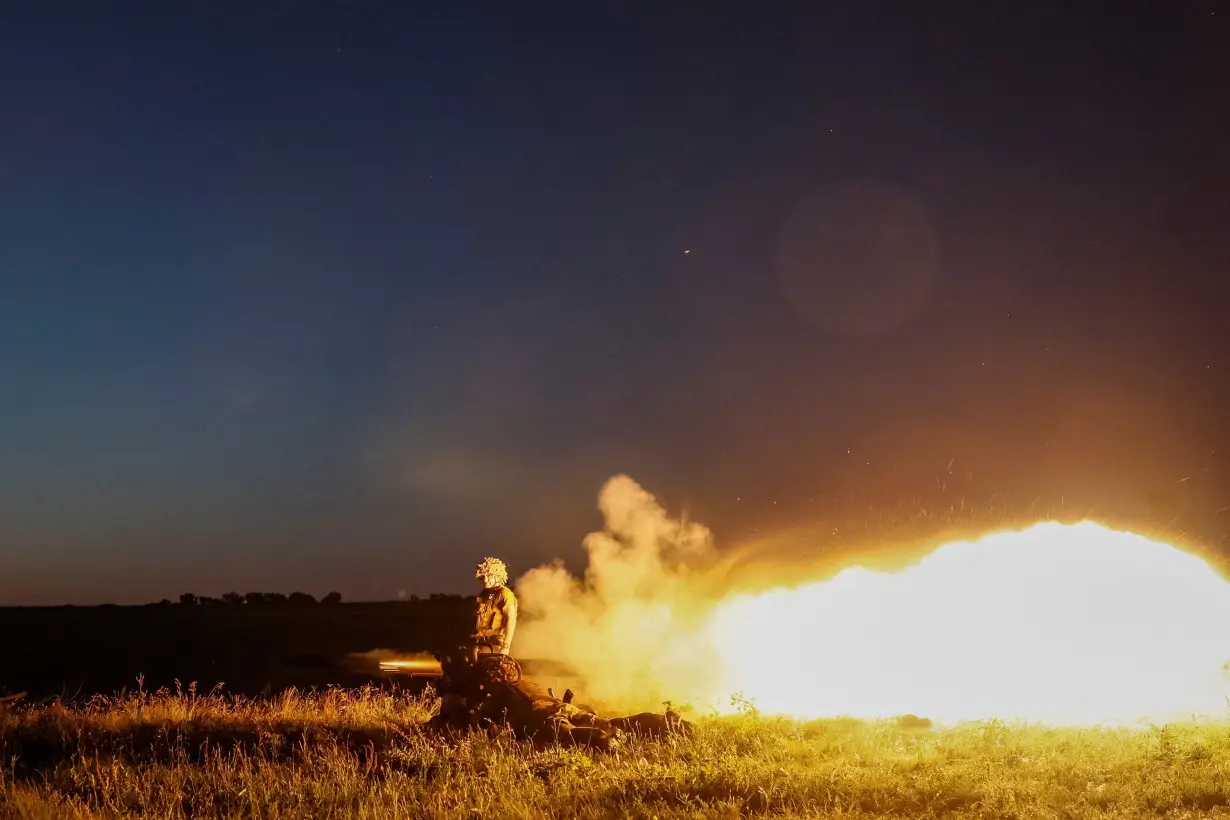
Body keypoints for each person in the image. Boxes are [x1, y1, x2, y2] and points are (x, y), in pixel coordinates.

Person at [472, 556, 518, 659]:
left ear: (497, 576)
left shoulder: (504, 593)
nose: (485, 580)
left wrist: (506, 646)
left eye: (489, 576)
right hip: (479, 639)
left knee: (476, 656)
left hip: (496, 641)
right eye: (483, 576)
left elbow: (511, 620)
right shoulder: (483, 595)